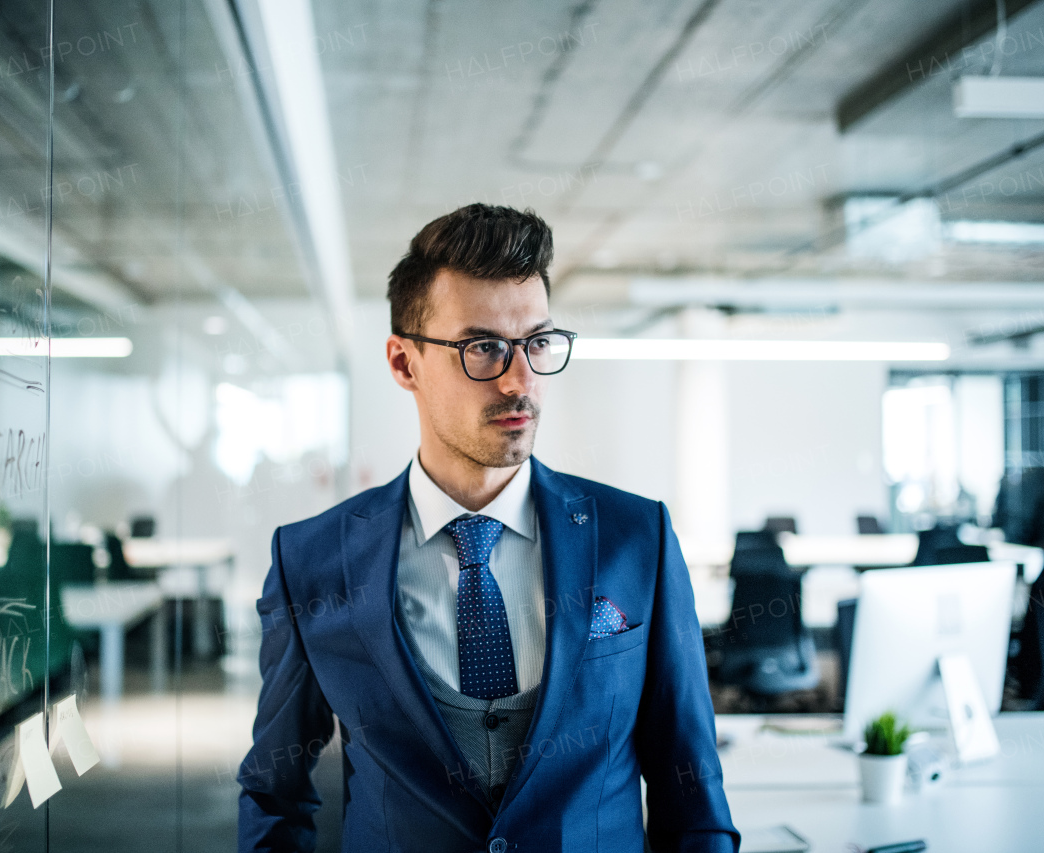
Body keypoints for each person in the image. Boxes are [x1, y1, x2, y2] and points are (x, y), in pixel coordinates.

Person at [236, 204, 739, 852]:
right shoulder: (314, 559)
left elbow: (691, 791)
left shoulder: (636, 537)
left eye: (537, 342)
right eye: (482, 347)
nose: (519, 379)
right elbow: (274, 797)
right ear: (403, 362)